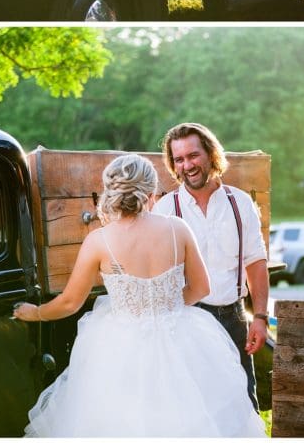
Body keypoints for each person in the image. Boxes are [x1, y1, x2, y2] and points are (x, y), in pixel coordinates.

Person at [13, 154, 265, 438]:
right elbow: (201, 288)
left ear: (110, 190)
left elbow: (70, 302)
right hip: (181, 337)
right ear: (151, 190)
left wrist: (34, 313)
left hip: (120, 344)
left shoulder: (99, 240)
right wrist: (164, 304)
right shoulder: (177, 229)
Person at [152, 122, 269, 408]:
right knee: (196, 410)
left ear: (211, 155)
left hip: (234, 317)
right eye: (178, 160)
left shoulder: (240, 203)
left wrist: (261, 317)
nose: (187, 165)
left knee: (243, 404)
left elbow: (255, 263)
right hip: (187, 321)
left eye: (193, 156)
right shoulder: (165, 210)